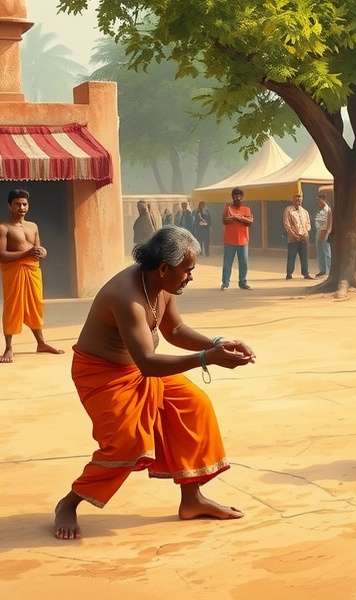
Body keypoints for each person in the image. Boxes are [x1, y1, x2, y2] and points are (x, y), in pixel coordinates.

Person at [52, 226, 255, 540]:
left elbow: (175, 330)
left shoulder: (161, 285)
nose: (190, 276)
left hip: (139, 369)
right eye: (188, 270)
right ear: (164, 268)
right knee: (128, 443)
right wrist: (207, 358)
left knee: (194, 406)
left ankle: (192, 500)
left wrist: (219, 342)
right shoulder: (126, 296)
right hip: (103, 375)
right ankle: (69, 502)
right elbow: (148, 363)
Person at [0, 189, 63, 364]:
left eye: (25, 204)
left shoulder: (33, 226)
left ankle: (41, 343)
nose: (22, 207)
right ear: (10, 206)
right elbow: (2, 255)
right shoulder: (4, 228)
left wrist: (42, 252)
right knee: (13, 306)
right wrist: (27, 253)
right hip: (14, 271)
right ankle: (8, 347)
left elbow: (38, 249)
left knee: (36, 305)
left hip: (33, 270)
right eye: (18, 204)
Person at [221, 187, 253, 290]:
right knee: (227, 263)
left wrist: (239, 218)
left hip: (243, 241)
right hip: (229, 241)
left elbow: (249, 222)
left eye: (239, 196)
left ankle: (242, 283)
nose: (237, 197)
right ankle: (225, 283)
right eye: (235, 195)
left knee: (244, 263)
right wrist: (238, 218)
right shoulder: (228, 208)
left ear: (242, 197)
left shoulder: (246, 209)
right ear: (232, 197)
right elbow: (225, 220)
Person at [283, 193, 312, 280]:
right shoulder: (288, 210)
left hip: (304, 237)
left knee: (304, 256)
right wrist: (294, 234)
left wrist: (306, 232)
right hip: (293, 238)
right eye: (296, 199)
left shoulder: (305, 211)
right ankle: (289, 274)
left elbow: (308, 224)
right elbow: (286, 224)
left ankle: (306, 273)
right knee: (291, 256)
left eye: (300, 199)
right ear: (293, 200)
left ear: (302, 200)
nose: (298, 200)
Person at [314, 193, 332, 278]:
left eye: (319, 200)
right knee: (319, 252)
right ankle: (322, 270)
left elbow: (329, 224)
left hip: (325, 232)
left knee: (327, 252)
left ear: (323, 199)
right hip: (319, 231)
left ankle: (328, 271)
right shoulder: (320, 210)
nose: (318, 202)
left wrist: (327, 233)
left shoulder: (328, 210)